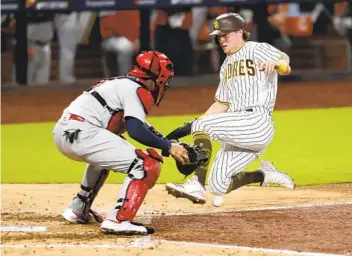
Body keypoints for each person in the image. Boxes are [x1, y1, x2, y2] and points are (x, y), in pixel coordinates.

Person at [53, 51, 190, 235]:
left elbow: (142, 126)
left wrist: (169, 145)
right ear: (159, 76)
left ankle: (79, 207)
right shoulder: (137, 89)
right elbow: (136, 130)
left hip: (65, 131)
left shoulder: (122, 83)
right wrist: (168, 147)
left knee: (110, 151)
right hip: (85, 133)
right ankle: (119, 219)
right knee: (146, 164)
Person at [164, 13, 295, 204]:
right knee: (218, 185)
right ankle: (264, 174)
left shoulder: (256, 49)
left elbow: (285, 60)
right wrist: (190, 127)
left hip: (257, 121)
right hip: (240, 127)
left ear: (240, 32)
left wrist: (279, 64)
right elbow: (221, 104)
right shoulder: (225, 66)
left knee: (203, 126)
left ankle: (196, 184)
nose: (221, 39)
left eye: (225, 34)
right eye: (219, 36)